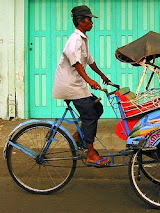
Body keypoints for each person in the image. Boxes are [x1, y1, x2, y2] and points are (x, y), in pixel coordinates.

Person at [53, 5, 115, 167]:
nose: (92, 22)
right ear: (80, 21)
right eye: (89, 19)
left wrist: (102, 76)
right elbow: (76, 62)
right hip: (70, 86)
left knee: (98, 108)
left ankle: (77, 136)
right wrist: (89, 80)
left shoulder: (83, 38)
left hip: (78, 85)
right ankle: (91, 154)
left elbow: (90, 61)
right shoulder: (74, 39)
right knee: (89, 116)